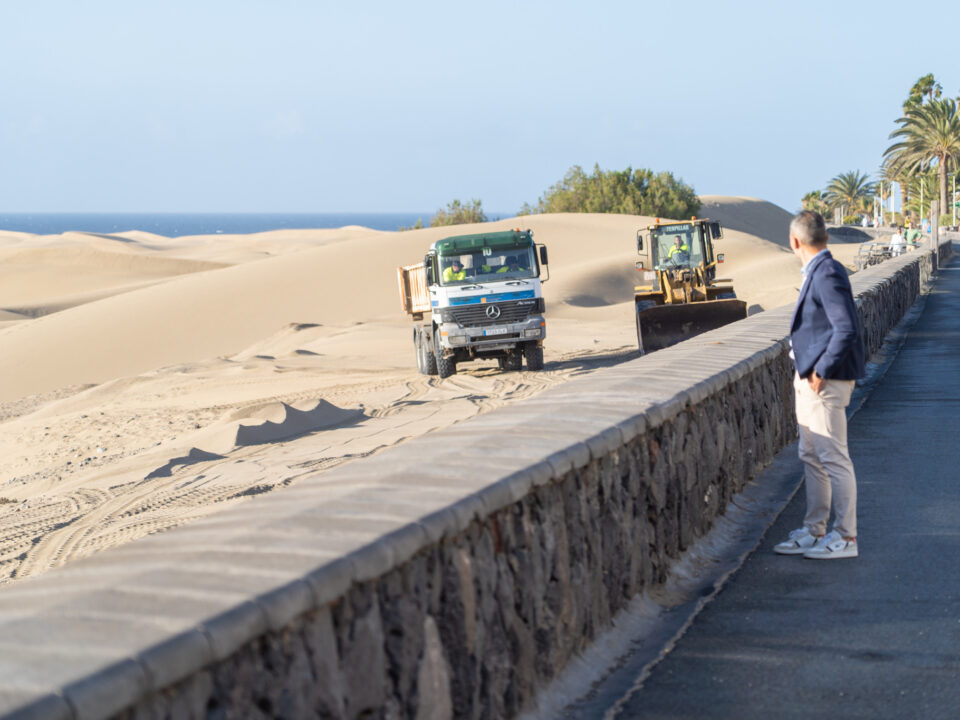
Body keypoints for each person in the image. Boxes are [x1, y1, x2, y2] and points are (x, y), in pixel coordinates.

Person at [775, 210, 865, 560]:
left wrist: (820, 371)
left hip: (825, 381)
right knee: (812, 455)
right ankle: (815, 530)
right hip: (811, 378)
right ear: (825, 237)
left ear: (794, 241)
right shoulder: (820, 270)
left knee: (833, 458)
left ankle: (846, 537)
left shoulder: (827, 272)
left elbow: (846, 328)